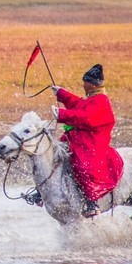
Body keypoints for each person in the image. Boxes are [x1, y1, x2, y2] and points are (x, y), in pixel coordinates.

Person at [52, 64, 123, 218]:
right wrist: (61, 93)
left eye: (85, 82)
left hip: (92, 143)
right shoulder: (92, 98)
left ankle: (92, 201)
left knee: (82, 165)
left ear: (92, 85)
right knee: (55, 154)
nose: (83, 84)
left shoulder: (101, 101)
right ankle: (41, 191)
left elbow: (86, 117)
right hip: (79, 139)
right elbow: (78, 105)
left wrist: (62, 114)